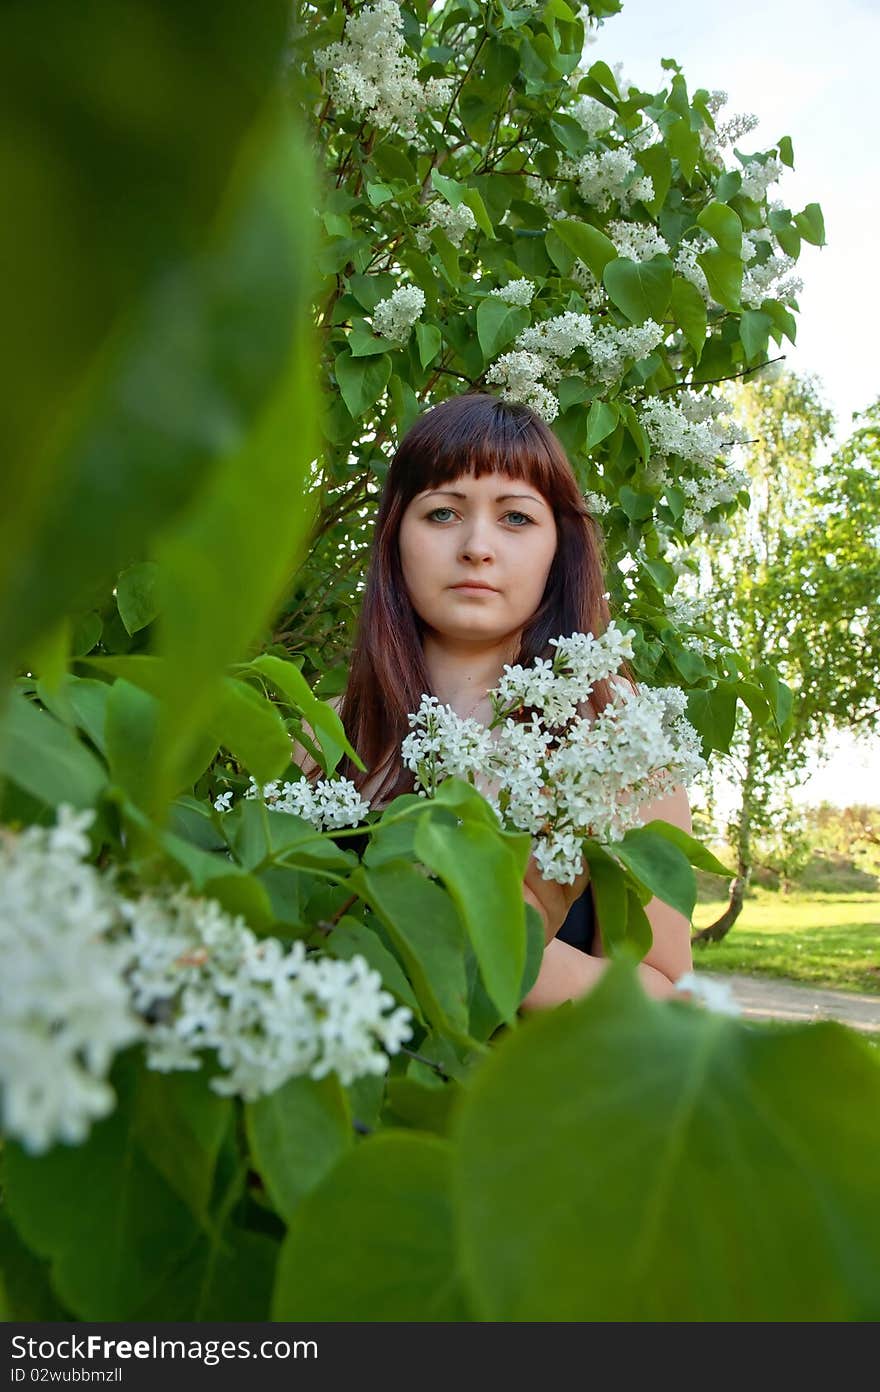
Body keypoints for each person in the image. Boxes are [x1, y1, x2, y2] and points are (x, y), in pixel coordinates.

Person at [293, 391, 693, 1008]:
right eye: (443, 513)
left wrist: (496, 943)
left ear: (559, 549)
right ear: (396, 537)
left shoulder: (617, 738)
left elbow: (671, 996)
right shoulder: (324, 734)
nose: (478, 546)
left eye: (516, 518)